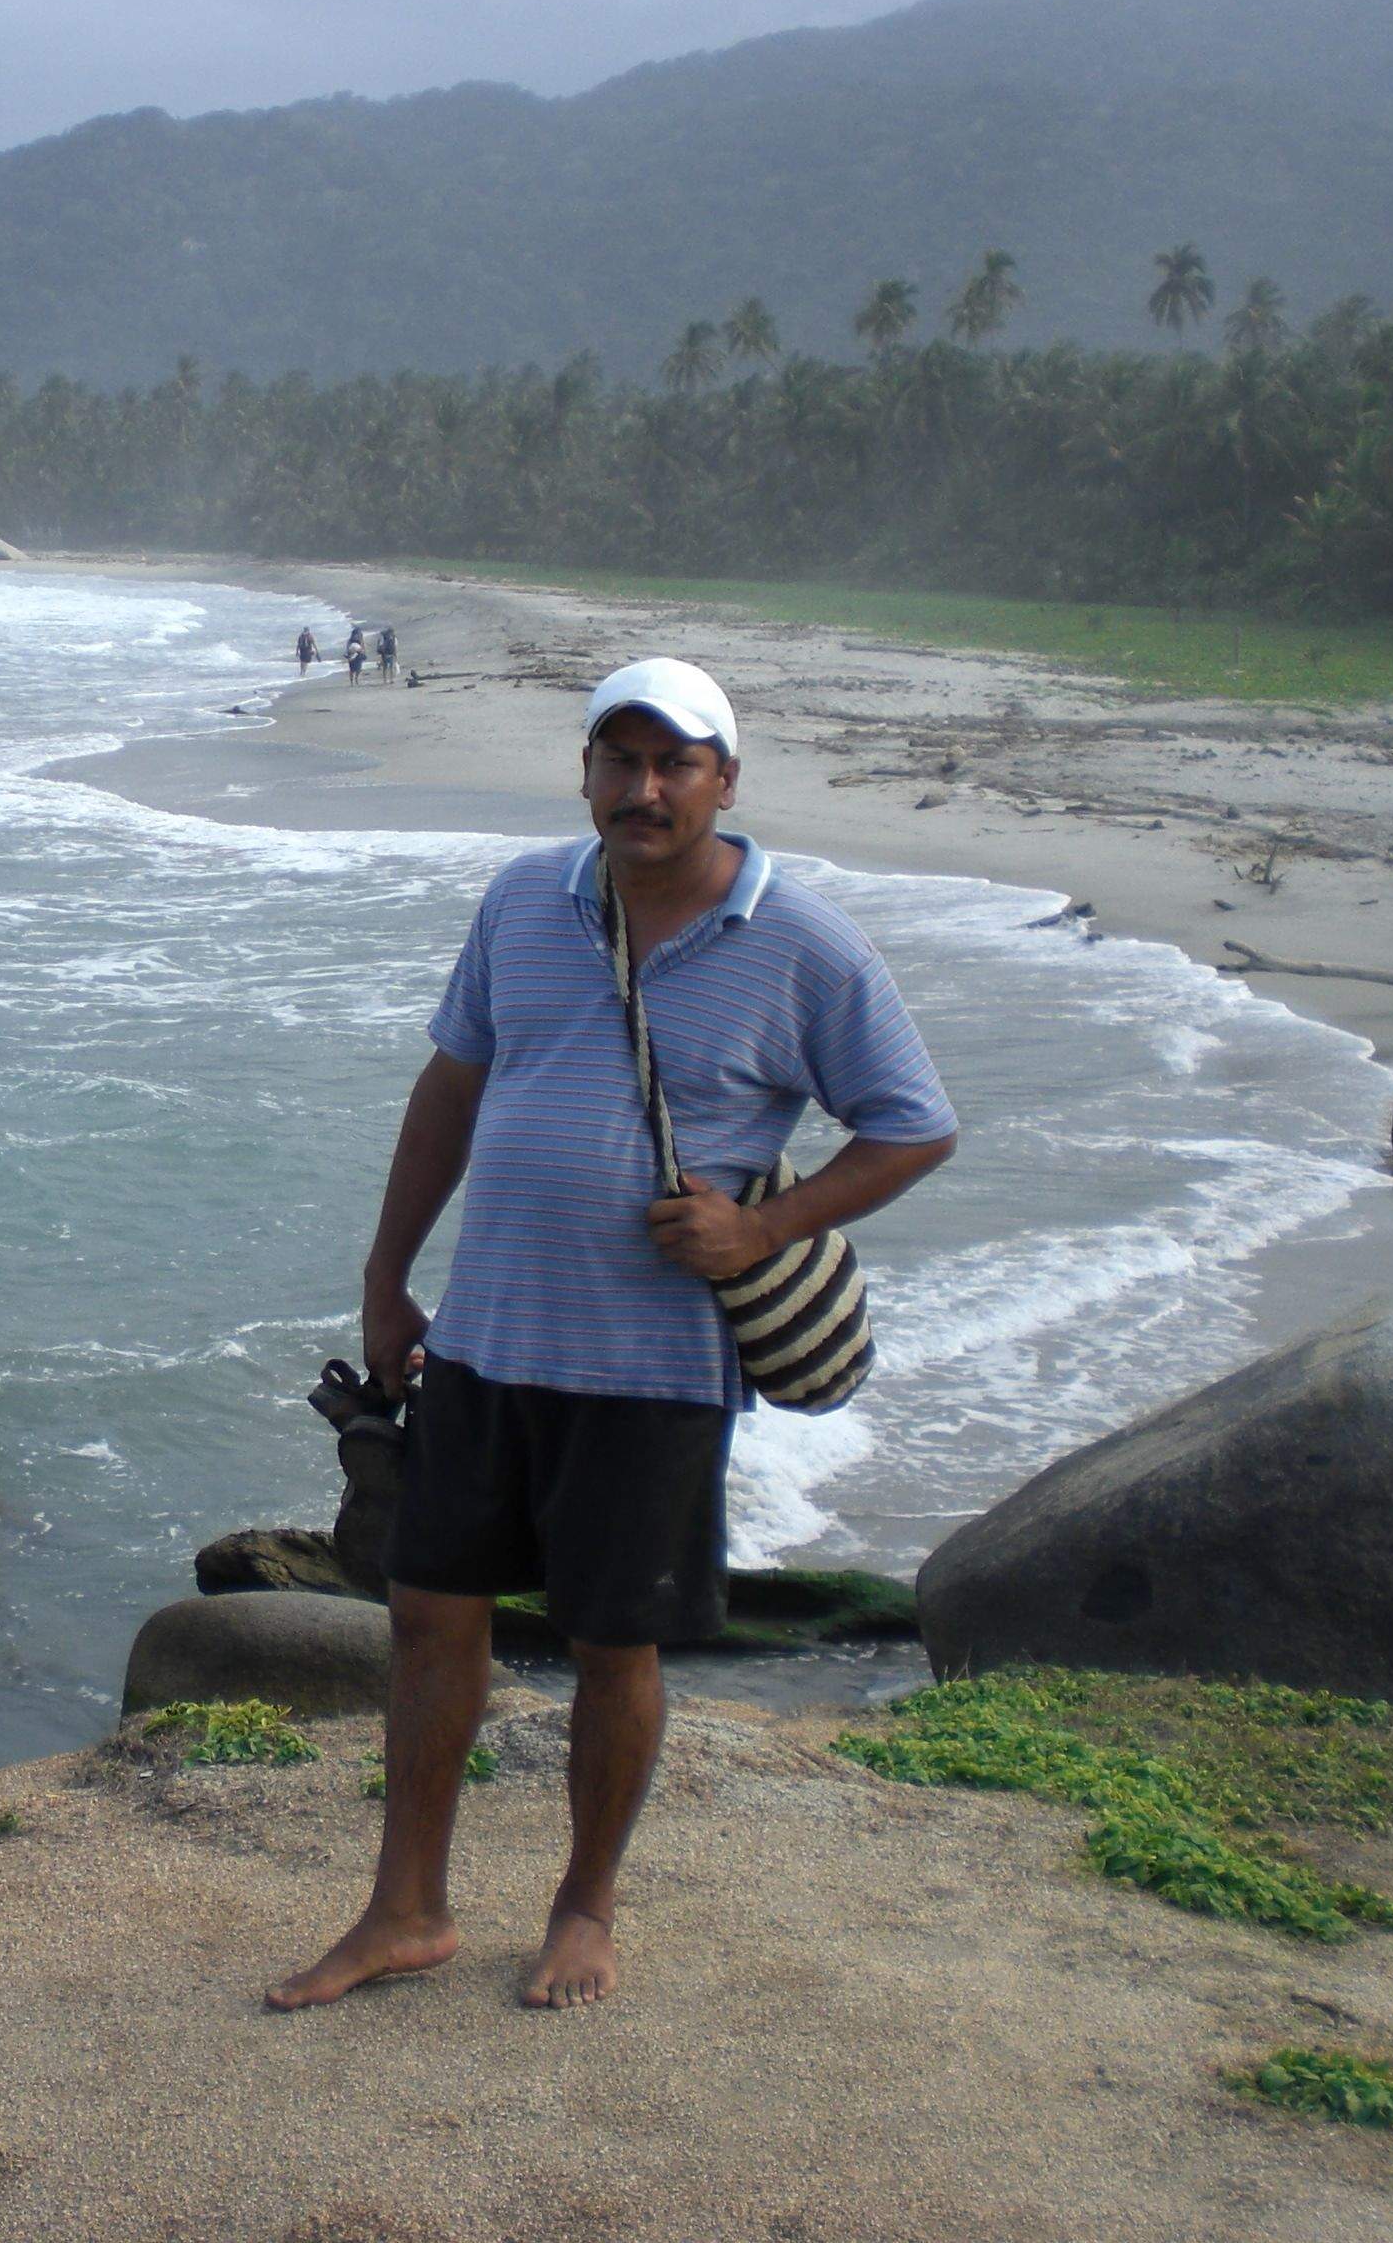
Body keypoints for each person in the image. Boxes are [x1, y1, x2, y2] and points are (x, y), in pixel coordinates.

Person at [269, 656, 957, 2017]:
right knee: (426, 1619)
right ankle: (406, 1910)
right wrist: (387, 1276)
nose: (643, 790)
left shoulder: (802, 944)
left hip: (651, 1370)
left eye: (674, 765)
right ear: (586, 769)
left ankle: (585, 1906)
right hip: (485, 1340)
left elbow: (913, 1123)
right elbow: (453, 1085)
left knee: (611, 1645)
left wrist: (768, 1228)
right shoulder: (525, 900)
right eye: (619, 760)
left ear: (723, 781)